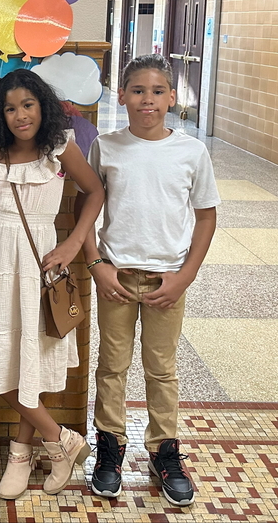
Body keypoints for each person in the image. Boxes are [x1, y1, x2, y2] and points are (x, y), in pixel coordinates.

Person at [0, 68, 105, 500]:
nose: (20, 115)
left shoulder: (59, 148)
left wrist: (74, 244)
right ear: (1, 115)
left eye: (28, 105)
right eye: (11, 108)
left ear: (43, 107)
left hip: (41, 258)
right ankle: (60, 441)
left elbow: (94, 192)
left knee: (29, 356)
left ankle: (23, 450)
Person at [76, 54, 220, 508]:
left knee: (162, 369)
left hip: (166, 281)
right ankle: (110, 448)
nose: (148, 100)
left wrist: (185, 277)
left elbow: (206, 218)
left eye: (158, 91)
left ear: (172, 98)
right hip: (116, 274)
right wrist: (96, 263)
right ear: (121, 96)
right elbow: (87, 208)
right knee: (112, 365)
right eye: (138, 90)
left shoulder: (191, 152)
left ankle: (164, 450)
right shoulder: (107, 145)